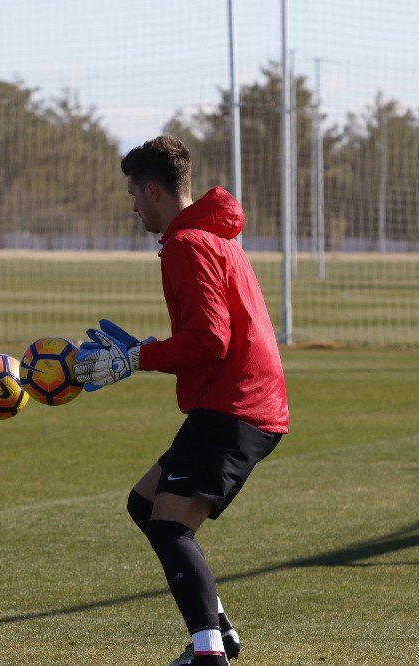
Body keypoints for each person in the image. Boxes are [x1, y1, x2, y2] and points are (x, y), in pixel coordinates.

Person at [74, 136, 289, 666]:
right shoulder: (211, 235)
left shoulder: (188, 244)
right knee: (144, 505)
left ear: (153, 190)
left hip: (236, 403)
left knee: (169, 524)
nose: (133, 206)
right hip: (238, 399)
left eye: (134, 194)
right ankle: (219, 632)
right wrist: (144, 352)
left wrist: (137, 358)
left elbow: (210, 339)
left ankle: (209, 652)